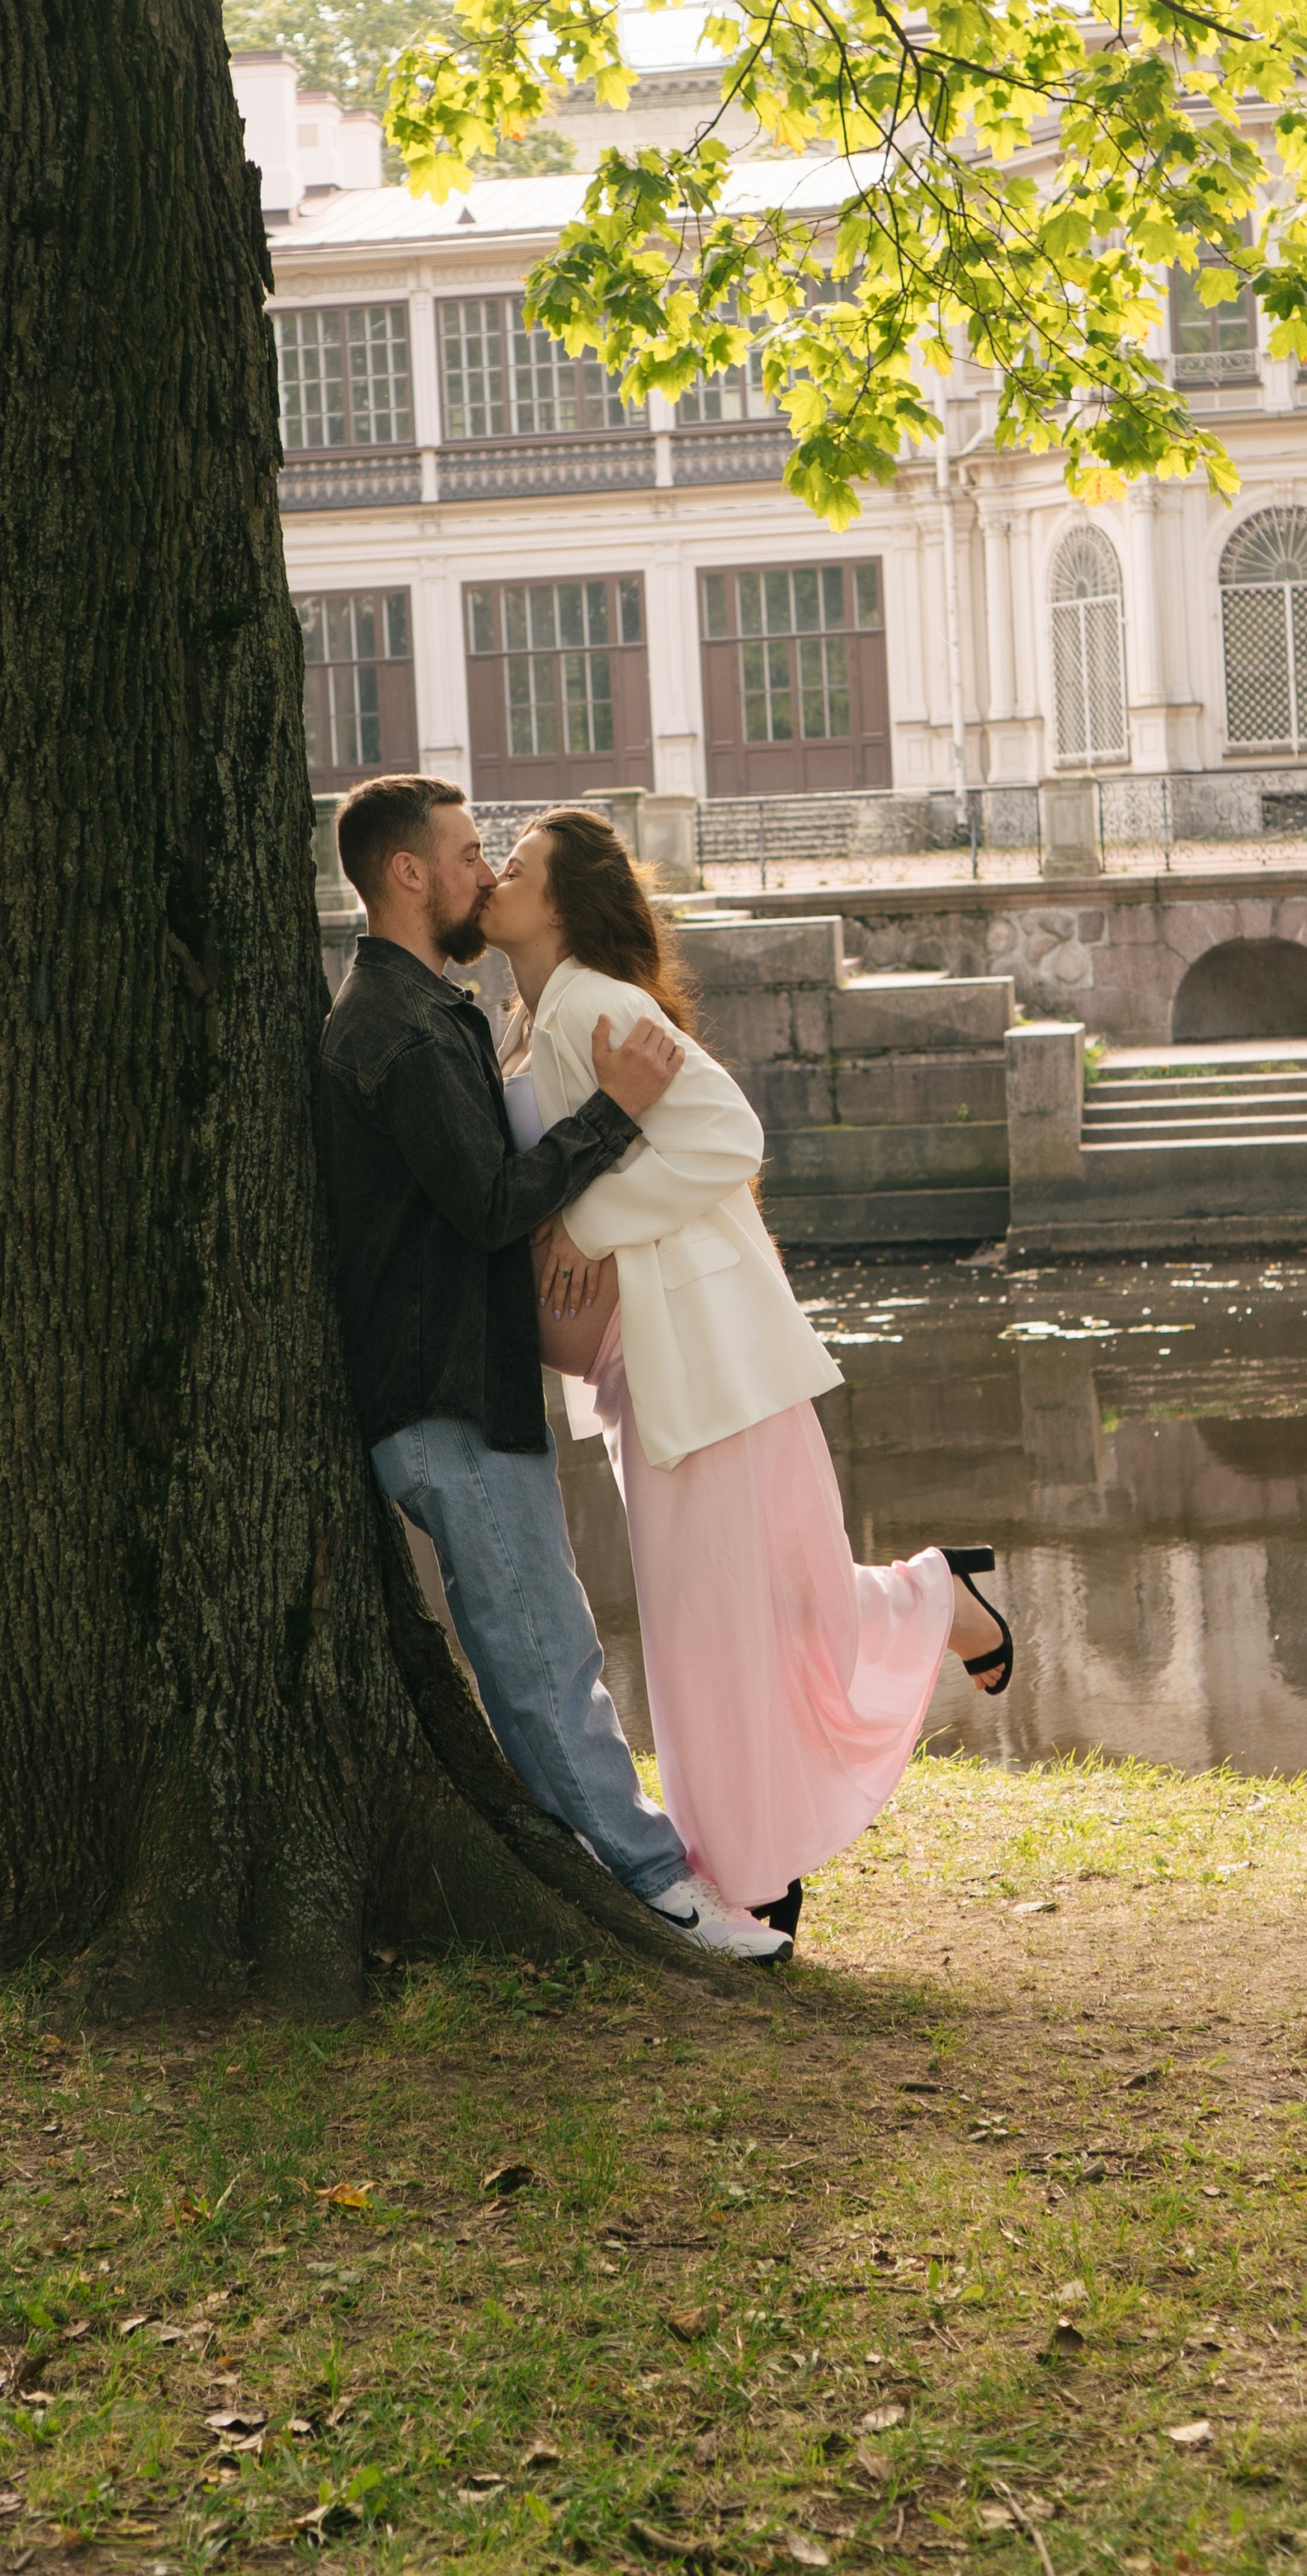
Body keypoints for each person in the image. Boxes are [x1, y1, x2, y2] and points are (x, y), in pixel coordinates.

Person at [482, 804, 1012, 1944]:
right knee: (736, 1607)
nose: (493, 875)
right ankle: (934, 1604)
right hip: (650, 1368)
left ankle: (746, 1872)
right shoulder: (532, 1021)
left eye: (513, 864)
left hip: (698, 1354)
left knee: (721, 1617)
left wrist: (586, 1231)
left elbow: (727, 1134)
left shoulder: (599, 1006)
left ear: (564, 898)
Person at [316, 775, 794, 1962]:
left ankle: (624, 1871)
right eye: (471, 852)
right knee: (543, 1654)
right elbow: (485, 1203)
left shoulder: (435, 1013)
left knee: (542, 1642)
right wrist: (614, 1116)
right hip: (442, 1396)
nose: (486, 872)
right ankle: (660, 1893)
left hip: (465, 1388)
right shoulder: (396, 1026)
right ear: (411, 873)